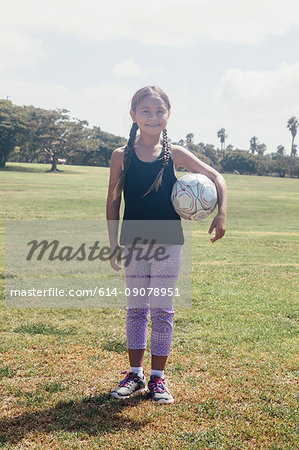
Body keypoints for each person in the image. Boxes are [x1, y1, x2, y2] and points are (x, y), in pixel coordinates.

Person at [106, 86, 227, 404]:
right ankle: (134, 374)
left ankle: (157, 379)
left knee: (161, 311)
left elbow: (216, 178)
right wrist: (112, 242)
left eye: (159, 111)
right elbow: (113, 202)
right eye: (145, 111)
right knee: (136, 310)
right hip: (133, 242)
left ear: (168, 115)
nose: (153, 117)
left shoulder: (176, 154)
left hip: (169, 244)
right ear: (133, 115)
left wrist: (222, 213)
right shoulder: (122, 156)